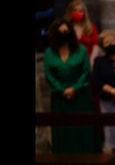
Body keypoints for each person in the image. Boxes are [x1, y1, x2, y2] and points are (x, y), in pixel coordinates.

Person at [43, 18, 102, 154]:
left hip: (80, 95)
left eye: (66, 30)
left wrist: (75, 88)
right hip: (60, 97)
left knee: (83, 127)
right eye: (61, 30)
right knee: (64, 129)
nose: (64, 33)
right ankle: (66, 160)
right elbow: (49, 75)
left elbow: (86, 71)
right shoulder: (49, 53)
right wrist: (62, 90)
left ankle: (88, 158)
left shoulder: (80, 50)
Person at [64, 0, 100, 67]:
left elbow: (95, 45)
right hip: (70, 61)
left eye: (80, 11)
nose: (78, 13)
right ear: (70, 12)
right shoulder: (66, 28)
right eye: (75, 10)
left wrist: (92, 60)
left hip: (88, 60)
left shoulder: (91, 27)